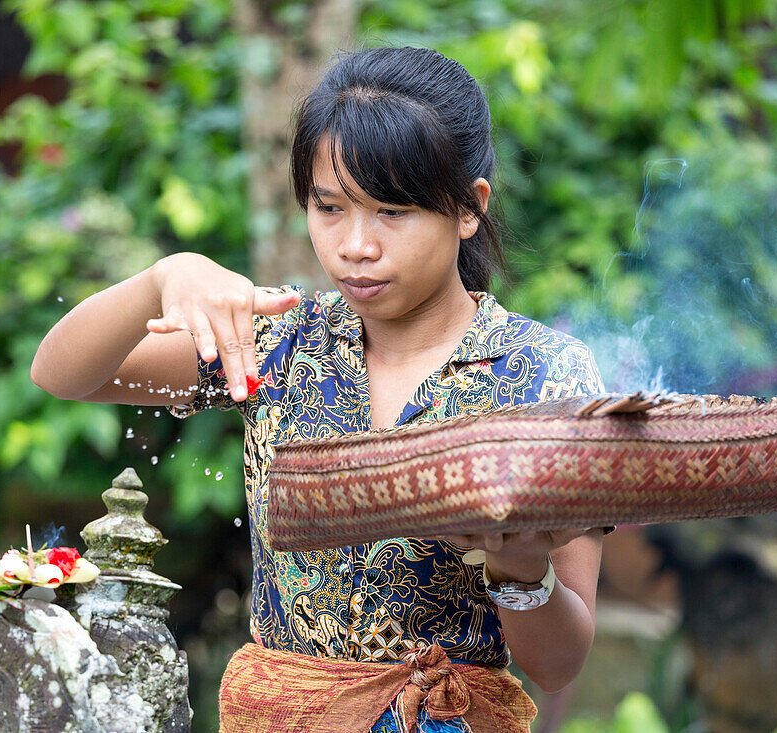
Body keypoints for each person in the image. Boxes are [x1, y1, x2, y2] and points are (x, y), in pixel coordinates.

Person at [32, 46, 609, 732]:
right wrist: (165, 275)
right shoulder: (277, 343)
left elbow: (561, 663)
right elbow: (64, 373)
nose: (355, 244)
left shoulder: (549, 377)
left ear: (468, 208)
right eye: (329, 206)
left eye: (392, 212)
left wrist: (520, 568)